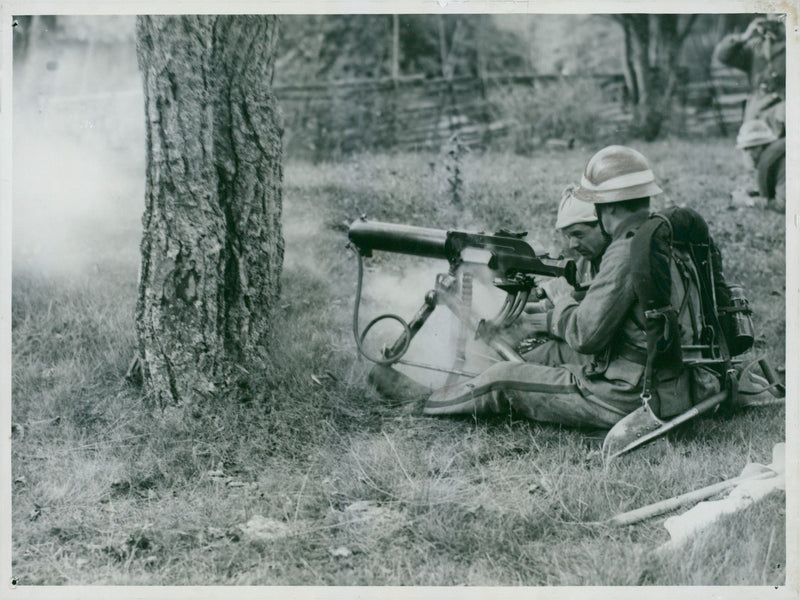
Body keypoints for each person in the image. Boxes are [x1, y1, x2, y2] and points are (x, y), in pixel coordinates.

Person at [424, 145, 713, 429]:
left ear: (607, 205)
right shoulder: (664, 237)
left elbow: (585, 336)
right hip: (677, 382)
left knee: (502, 378)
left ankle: (426, 403)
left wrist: (562, 299)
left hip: (630, 395)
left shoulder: (627, 250)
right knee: (543, 356)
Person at [713, 16, 785, 134]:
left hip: (785, 108)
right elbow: (723, 56)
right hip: (758, 108)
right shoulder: (755, 47)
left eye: (780, 19)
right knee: (753, 145)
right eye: (771, 20)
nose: (774, 26)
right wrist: (744, 37)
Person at [734, 119, 785, 212]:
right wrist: (756, 193)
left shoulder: (783, 164)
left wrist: (748, 201)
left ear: (765, 146)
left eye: (753, 148)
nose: (749, 154)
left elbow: (784, 205)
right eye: (746, 149)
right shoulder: (778, 157)